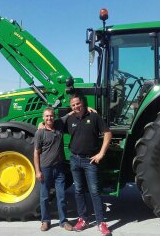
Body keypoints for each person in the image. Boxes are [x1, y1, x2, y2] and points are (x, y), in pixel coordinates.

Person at [66, 94, 112, 236]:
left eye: (77, 104)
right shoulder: (70, 119)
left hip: (89, 161)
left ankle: (100, 223)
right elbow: (51, 124)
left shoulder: (94, 117)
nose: (76, 107)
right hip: (74, 159)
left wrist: (101, 153)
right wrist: (41, 124)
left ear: (83, 103)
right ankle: (83, 219)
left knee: (94, 191)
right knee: (78, 190)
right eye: (73, 105)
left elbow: (107, 133)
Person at [33, 107, 73, 232]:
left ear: (54, 117)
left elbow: (71, 113)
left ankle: (63, 221)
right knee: (44, 197)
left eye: (51, 116)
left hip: (59, 168)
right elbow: (36, 153)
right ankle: (45, 221)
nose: (49, 118)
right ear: (43, 118)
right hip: (46, 169)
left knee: (61, 196)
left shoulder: (59, 125)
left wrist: (86, 107)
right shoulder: (40, 133)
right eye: (47, 116)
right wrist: (38, 171)